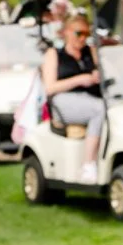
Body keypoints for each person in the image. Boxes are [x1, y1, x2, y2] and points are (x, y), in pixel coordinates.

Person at [41, 14, 104, 184]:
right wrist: (79, 80)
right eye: (79, 33)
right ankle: (88, 163)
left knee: (106, 108)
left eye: (86, 34)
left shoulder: (90, 52)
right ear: (67, 32)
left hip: (90, 97)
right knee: (100, 109)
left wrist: (97, 76)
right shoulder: (54, 54)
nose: (83, 38)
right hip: (64, 100)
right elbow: (50, 87)